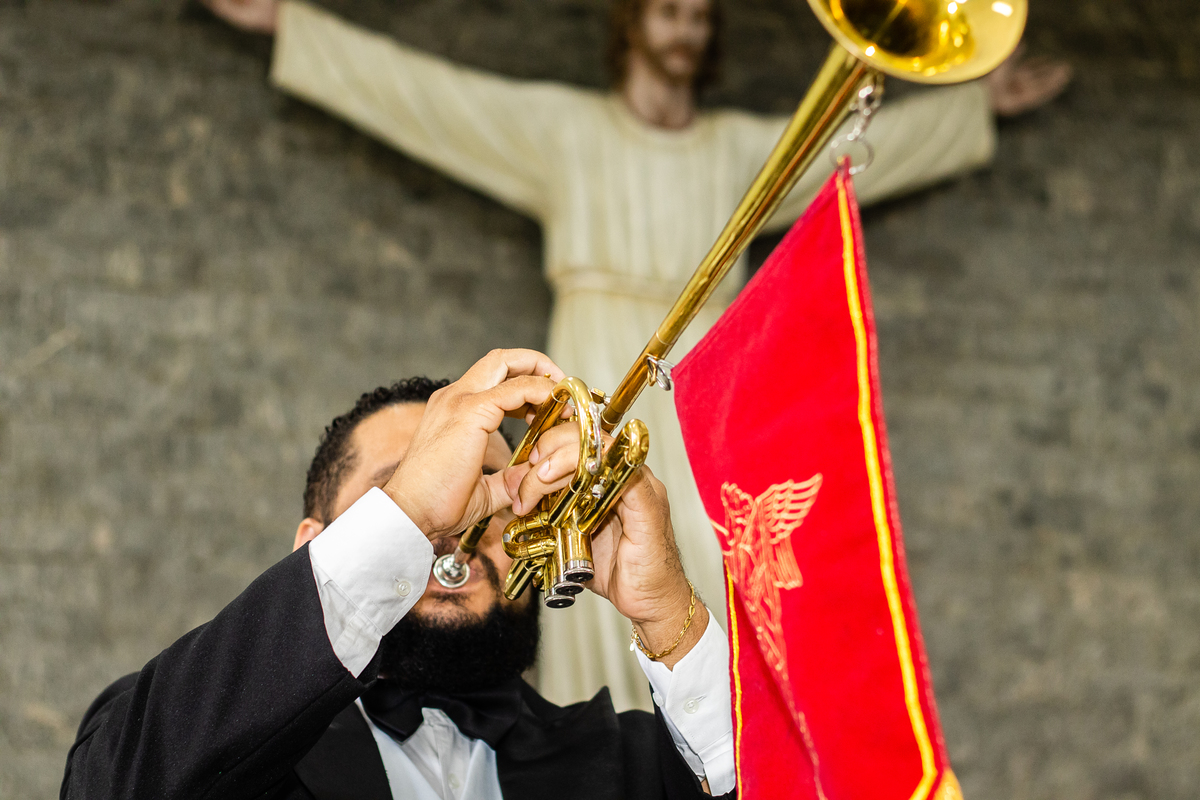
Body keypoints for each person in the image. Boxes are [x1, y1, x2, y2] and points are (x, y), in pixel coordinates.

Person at [199, 0, 1072, 713]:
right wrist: (294, 25)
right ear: (630, 25)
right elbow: (431, 99)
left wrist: (969, 107)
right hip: (594, 387)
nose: (687, 27)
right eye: (669, 9)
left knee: (717, 587)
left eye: (700, 15)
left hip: (704, 406)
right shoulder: (565, 132)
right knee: (579, 579)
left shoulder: (735, 149)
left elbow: (850, 150)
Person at [62, 349, 735, 800]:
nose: (459, 519)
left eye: (494, 490)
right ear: (313, 548)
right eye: (409, 491)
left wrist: (670, 617)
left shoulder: (638, 765)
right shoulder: (192, 733)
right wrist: (410, 512)